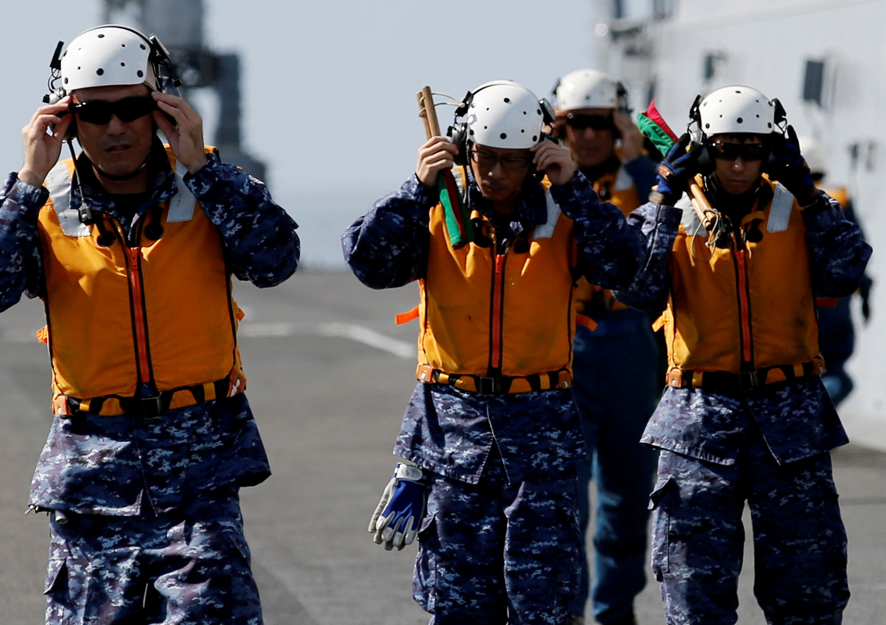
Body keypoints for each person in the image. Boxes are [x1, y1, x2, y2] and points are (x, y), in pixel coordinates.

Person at [0, 24, 300, 624]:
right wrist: (29, 180)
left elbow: (274, 262)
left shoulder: (209, 191)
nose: (115, 128)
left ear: (161, 106)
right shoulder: (41, 206)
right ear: (66, 118)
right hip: (91, 478)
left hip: (200, 473)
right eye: (94, 112)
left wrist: (205, 168)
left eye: (132, 108)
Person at [342, 80, 675, 625]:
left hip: (540, 440)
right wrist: (416, 186)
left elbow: (629, 270)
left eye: (512, 161)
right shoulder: (434, 208)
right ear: (463, 148)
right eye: (485, 158)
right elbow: (367, 261)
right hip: (453, 442)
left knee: (543, 605)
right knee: (456, 608)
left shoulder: (564, 214)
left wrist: (574, 189)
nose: (495, 172)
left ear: (536, 157)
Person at [613, 85, 870, 624]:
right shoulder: (673, 213)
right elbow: (633, 287)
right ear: (703, 150)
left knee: (809, 595)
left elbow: (845, 271)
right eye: (725, 150)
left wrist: (807, 190)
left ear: (770, 151)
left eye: (752, 151)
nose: (738, 164)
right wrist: (662, 197)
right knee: (695, 597)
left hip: (791, 420)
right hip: (697, 424)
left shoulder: (797, 206)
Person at [552, 68, 661, 625]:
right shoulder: (540, 180)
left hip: (629, 345)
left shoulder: (645, 177)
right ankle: (568, 611)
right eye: (576, 123)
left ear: (618, 123)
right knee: (566, 493)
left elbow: (672, 211)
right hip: (562, 345)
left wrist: (640, 155)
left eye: (601, 123)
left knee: (626, 490)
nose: (589, 135)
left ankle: (614, 611)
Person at [799, 137, 874, 406]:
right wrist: (866, 292)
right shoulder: (837, 199)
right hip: (834, 307)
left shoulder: (777, 200)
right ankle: (812, 418)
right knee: (835, 373)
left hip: (793, 305)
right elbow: (855, 252)